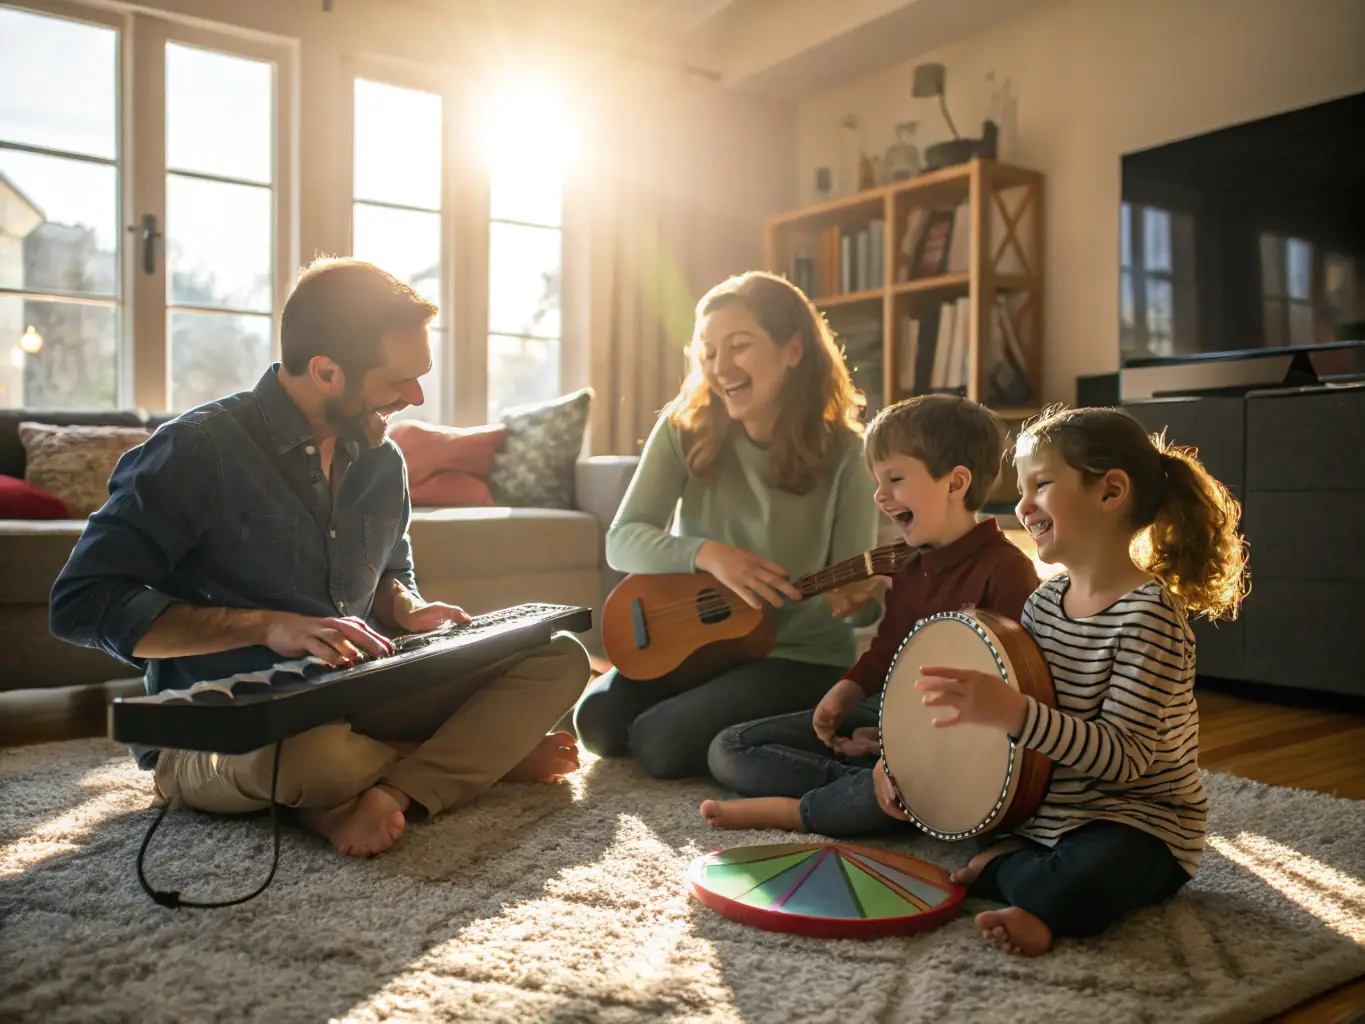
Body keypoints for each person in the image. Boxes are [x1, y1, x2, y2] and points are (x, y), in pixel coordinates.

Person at [49, 257, 590, 859]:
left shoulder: (383, 460)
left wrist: (407, 609)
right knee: (319, 757)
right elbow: (80, 603)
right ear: (327, 371)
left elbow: (389, 571)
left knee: (560, 658)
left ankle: (388, 791)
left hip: (360, 695)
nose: (415, 397)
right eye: (398, 381)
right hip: (228, 732)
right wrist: (265, 626)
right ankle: (458, 764)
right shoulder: (195, 451)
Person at [916, 405, 1248, 956]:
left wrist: (1013, 713)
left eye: (1041, 485)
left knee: (1086, 879)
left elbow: (1124, 759)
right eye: (1021, 489)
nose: (1023, 506)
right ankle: (1021, 870)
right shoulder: (1044, 605)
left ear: (1110, 492)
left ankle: (1027, 886)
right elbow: (1024, 730)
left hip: (1141, 822)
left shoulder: (1150, 618)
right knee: (945, 817)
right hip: (1049, 809)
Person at [573, 270, 883, 778]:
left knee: (659, 742)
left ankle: (794, 724)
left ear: (793, 350)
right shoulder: (683, 428)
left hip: (796, 655)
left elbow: (852, 603)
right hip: (700, 646)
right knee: (598, 722)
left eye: (739, 345)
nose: (720, 367)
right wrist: (708, 555)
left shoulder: (849, 452)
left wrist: (857, 601)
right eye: (709, 351)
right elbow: (622, 540)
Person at [700, 394, 1041, 833]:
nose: (881, 496)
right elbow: (887, 652)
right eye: (878, 481)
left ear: (955, 484)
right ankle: (874, 788)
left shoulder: (1008, 570)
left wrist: (903, 749)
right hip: (888, 716)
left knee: (939, 789)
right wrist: (846, 692)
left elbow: (1010, 703)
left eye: (895, 479)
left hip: (957, 741)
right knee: (728, 748)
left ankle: (810, 809)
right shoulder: (908, 564)